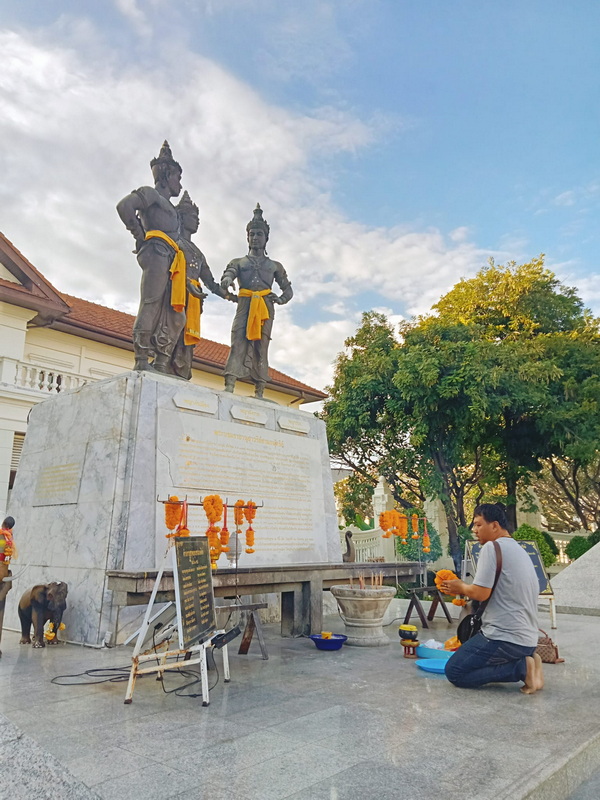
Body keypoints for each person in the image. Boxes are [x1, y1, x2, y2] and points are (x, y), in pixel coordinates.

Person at [441, 503, 544, 694]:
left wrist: (460, 586)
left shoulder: (492, 548)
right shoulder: (519, 550)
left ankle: (521, 669)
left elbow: (481, 593)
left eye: (479, 525)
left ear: (495, 526)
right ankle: (528, 662)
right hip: (527, 640)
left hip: (505, 637)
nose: (474, 530)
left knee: (455, 671)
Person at [117, 141, 188, 374]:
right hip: (156, 252)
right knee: (151, 303)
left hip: (172, 259)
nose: (179, 183)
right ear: (166, 176)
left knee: (175, 314)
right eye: (177, 177)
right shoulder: (151, 195)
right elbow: (125, 207)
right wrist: (141, 237)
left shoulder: (172, 209)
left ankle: (160, 360)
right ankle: (140, 358)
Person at [220, 204, 293, 398]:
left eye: (259, 234)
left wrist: (281, 298)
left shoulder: (274, 265)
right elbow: (228, 274)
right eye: (252, 234)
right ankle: (230, 383)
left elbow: (288, 289)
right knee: (238, 341)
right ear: (247, 237)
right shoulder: (239, 262)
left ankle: (260, 389)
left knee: (262, 346)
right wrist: (227, 281)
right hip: (244, 305)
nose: (255, 238)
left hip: (265, 307)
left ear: (266, 238)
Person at [170, 191, 228, 379]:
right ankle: (165, 363)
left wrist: (229, 295)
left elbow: (210, 282)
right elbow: (165, 269)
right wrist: (186, 283)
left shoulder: (197, 253)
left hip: (194, 301)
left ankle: (183, 368)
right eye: (193, 217)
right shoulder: (173, 243)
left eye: (198, 218)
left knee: (186, 339)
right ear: (181, 217)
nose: (197, 221)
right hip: (174, 295)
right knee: (172, 329)